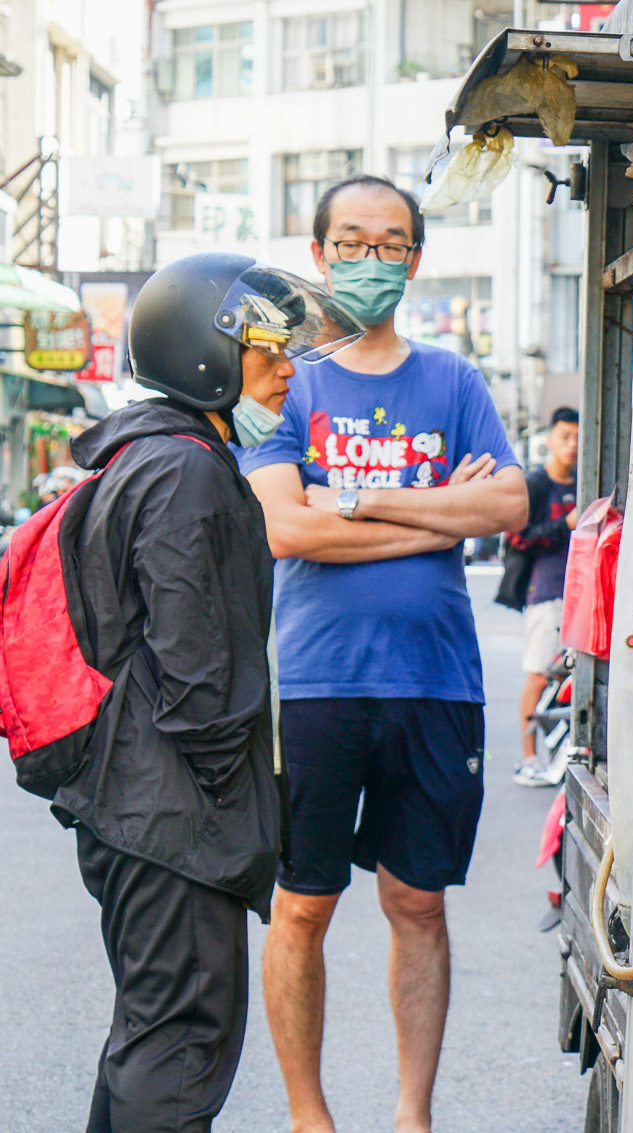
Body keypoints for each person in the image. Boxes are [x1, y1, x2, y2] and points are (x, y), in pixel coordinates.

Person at [241, 174, 528, 1133]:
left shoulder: (453, 380)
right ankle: (307, 1115)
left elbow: (505, 507)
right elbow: (285, 527)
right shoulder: (287, 379)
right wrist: (434, 513)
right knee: (304, 906)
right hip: (317, 682)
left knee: (417, 903)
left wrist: (355, 500)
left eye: (393, 243)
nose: (373, 260)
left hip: (436, 682)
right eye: (353, 243)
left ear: (415, 257)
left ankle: (413, 1116)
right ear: (320, 255)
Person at [53, 252, 362, 1131]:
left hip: (140, 809)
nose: (283, 367)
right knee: (180, 1049)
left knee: (150, 1038)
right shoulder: (186, 469)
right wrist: (237, 808)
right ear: (202, 353)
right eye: (263, 346)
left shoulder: (148, 457)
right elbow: (200, 678)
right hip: (175, 823)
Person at [508, 406, 579, 787]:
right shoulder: (536, 484)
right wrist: (562, 525)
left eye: (578, 437)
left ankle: (559, 756)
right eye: (565, 436)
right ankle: (528, 758)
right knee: (539, 674)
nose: (572, 445)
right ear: (549, 439)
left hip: (578, 592)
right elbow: (517, 537)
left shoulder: (586, 481)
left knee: (567, 677)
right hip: (545, 591)